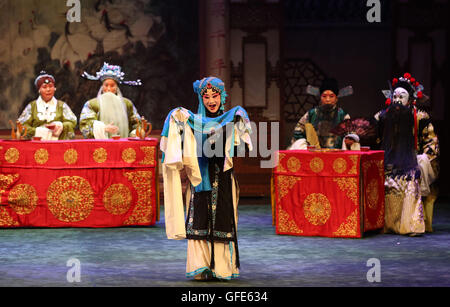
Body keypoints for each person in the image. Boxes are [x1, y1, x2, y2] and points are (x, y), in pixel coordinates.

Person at [161, 77, 252, 281]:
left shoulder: (231, 118)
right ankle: (201, 266)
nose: (211, 100)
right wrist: (177, 119)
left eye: (215, 95)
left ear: (222, 96)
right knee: (199, 219)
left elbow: (242, 147)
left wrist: (237, 124)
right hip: (199, 178)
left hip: (223, 177)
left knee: (223, 220)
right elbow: (180, 143)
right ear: (201, 99)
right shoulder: (192, 121)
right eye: (207, 97)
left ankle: (222, 268)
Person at [375, 73, 439, 235]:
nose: (397, 100)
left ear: (410, 99)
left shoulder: (420, 117)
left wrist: (422, 161)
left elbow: (432, 144)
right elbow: (372, 136)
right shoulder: (383, 116)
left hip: (413, 161)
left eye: (402, 96)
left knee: (414, 173)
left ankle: (410, 224)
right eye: (395, 96)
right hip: (389, 162)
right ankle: (379, 223)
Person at [289, 78, 359, 150]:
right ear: (320, 97)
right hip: (314, 154)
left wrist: (350, 139)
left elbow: (351, 133)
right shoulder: (311, 114)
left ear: (336, 98)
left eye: (331, 96)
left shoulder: (343, 115)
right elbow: (298, 131)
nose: (328, 99)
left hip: (337, 154)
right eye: (324, 96)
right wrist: (305, 144)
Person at [79, 62, 142, 139]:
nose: (109, 89)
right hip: (100, 146)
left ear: (117, 88)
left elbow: (137, 124)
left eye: (112, 86)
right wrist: (103, 128)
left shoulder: (127, 103)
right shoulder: (92, 104)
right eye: (106, 85)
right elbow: (85, 124)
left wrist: (134, 134)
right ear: (102, 87)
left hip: (124, 144)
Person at [17, 71, 77, 140]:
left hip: (58, 145)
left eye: (51, 86)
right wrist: (38, 131)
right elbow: (22, 125)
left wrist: (60, 126)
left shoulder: (62, 106)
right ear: (39, 90)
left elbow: (72, 122)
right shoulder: (32, 106)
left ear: (54, 88)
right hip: (36, 145)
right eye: (44, 87)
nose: (48, 90)